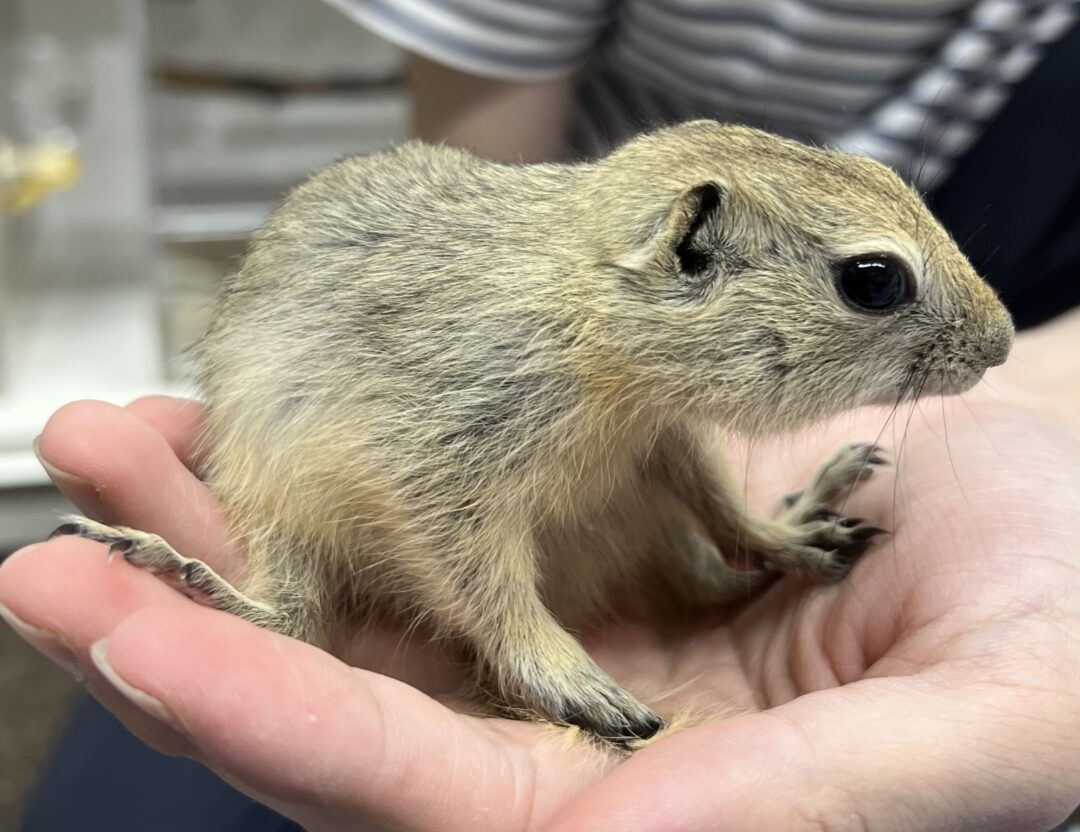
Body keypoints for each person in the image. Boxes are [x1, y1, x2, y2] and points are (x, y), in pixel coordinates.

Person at [5, 2, 1080, 829]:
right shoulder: (534, 335)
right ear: (690, 252)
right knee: (175, 739)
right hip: (341, 436)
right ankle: (287, 596)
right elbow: (438, 484)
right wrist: (533, 651)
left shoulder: (655, 359)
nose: (974, 347)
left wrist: (746, 529)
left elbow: (668, 438)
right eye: (871, 285)